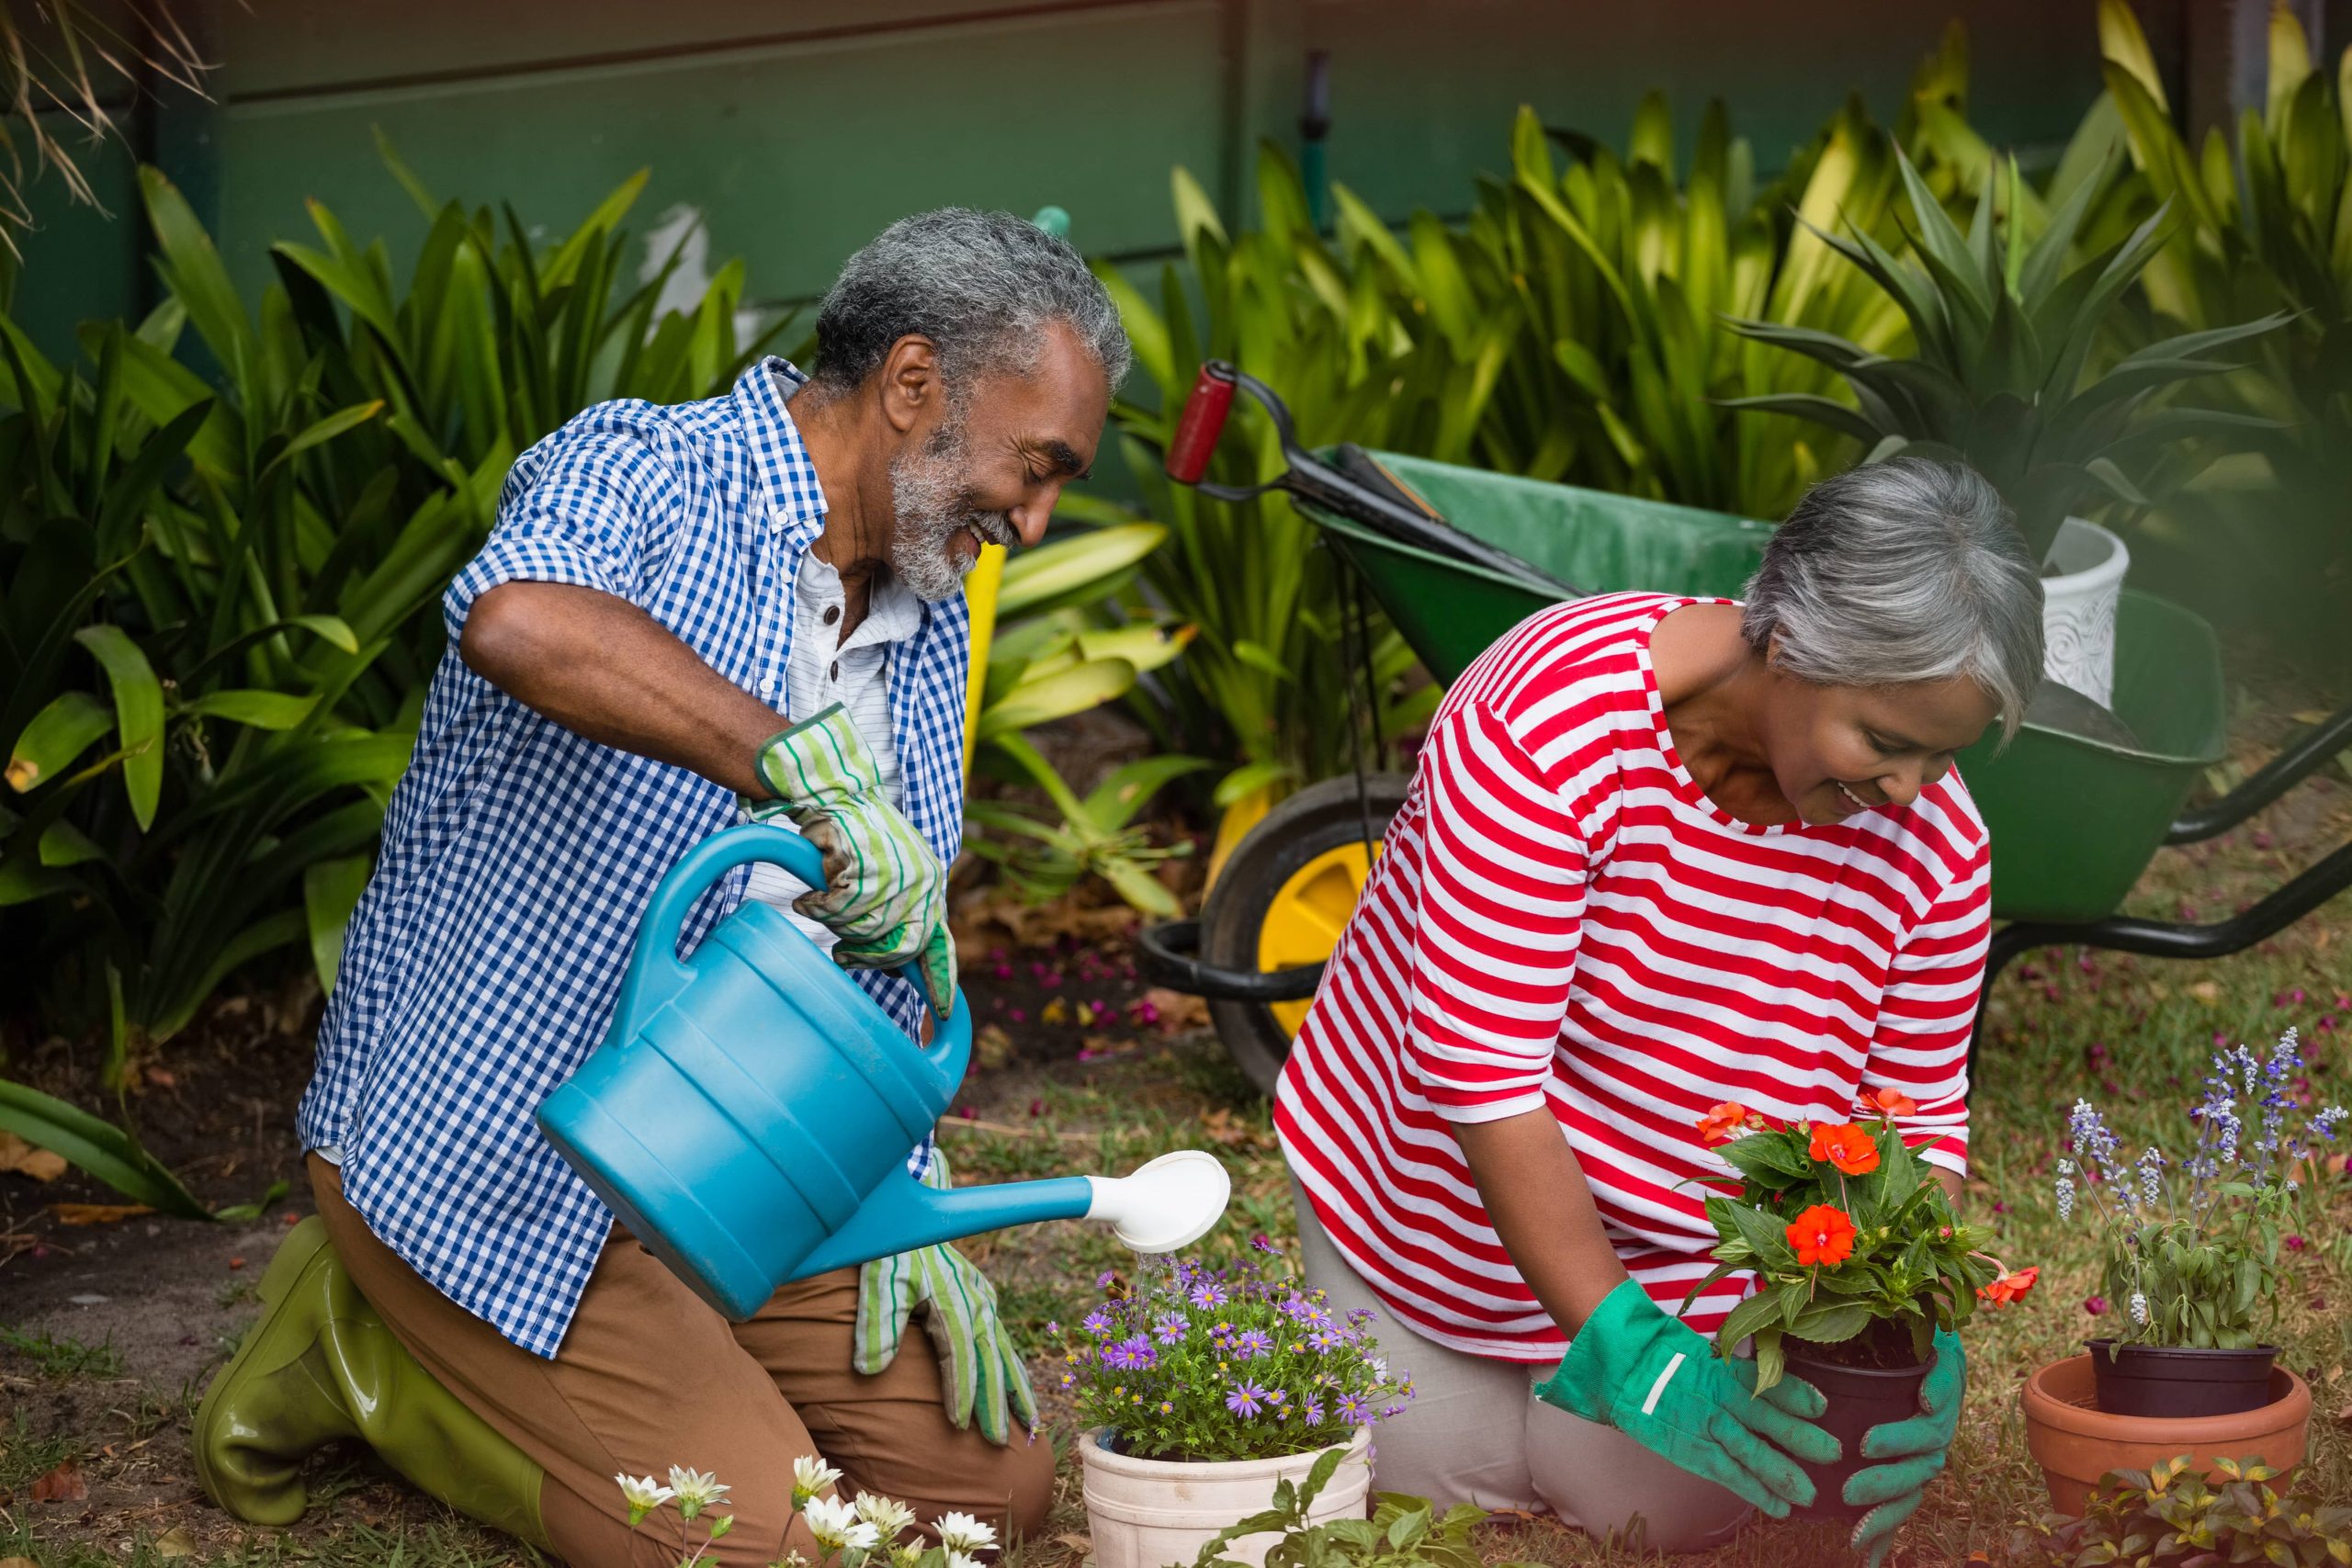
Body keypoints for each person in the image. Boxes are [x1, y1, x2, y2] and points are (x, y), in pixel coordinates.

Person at [193, 209, 1130, 1566]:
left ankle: (632, 1352)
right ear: (913, 383)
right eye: (1035, 467)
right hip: (504, 1150)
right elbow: (523, 614)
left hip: (733, 1155)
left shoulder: (928, 604)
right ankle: (349, 1339)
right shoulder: (646, 464)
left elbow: (877, 953)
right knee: (766, 1542)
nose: (1035, 521)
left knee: (990, 1496)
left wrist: (905, 1188)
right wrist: (788, 759)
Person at [1275, 459, 2044, 1562]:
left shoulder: (1933, 843)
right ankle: (1495, 1364)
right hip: (1422, 1203)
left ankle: (1575, 1389)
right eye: (1883, 742)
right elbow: (1478, 1073)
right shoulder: (1545, 724)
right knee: (1424, 1476)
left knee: (1679, 1501)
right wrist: (1623, 1346)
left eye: (1942, 754)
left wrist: (1910, 1319)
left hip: (1689, 1242)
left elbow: (1913, 1113)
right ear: (1788, 645)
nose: (1911, 792)